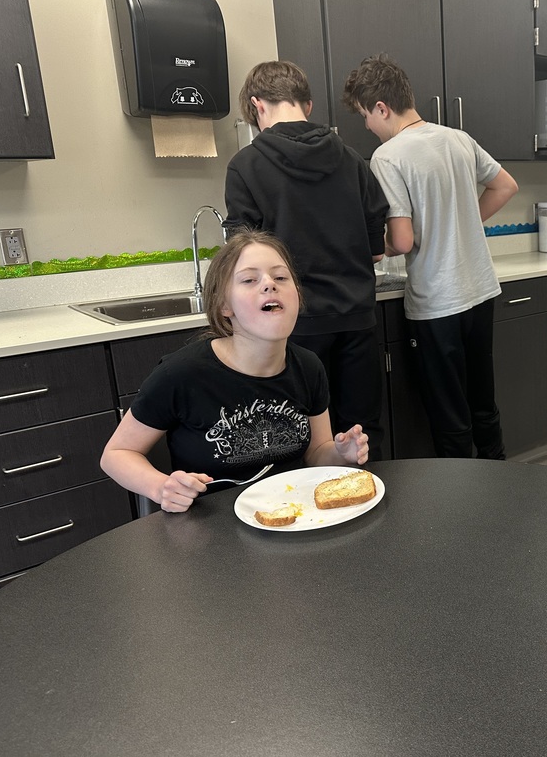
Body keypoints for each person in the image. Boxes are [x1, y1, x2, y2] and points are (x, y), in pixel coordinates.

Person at [101, 230, 369, 513]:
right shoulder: (180, 374)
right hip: (209, 531)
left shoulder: (309, 367)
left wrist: (342, 454)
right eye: (249, 280)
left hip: (293, 517)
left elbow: (316, 453)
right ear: (224, 305)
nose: (269, 284)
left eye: (280, 277)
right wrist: (161, 486)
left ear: (297, 296)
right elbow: (116, 455)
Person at [342, 54, 519, 459]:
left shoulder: (388, 156)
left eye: (364, 115)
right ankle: (503, 487)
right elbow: (505, 186)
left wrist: (373, 247)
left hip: (438, 302)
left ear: (381, 108)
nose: (366, 125)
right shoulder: (457, 137)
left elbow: (402, 242)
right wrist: (460, 220)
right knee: (483, 402)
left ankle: (458, 510)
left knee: (449, 414)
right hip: (481, 291)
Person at [223, 61, 390, 459]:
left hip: (291, 327)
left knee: (300, 438)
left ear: (257, 105)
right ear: (308, 105)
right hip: (357, 319)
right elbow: (377, 249)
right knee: (362, 436)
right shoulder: (352, 160)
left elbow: (242, 258)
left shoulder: (245, 166)